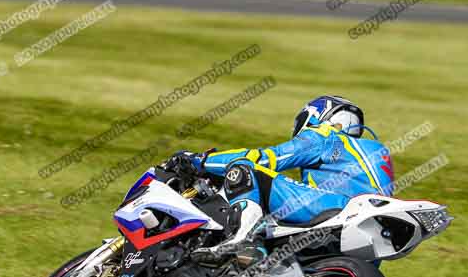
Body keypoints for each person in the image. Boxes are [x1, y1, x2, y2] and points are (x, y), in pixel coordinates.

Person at [168, 96, 394, 266]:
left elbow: (266, 159)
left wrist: (199, 160)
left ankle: (243, 239)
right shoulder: (374, 150)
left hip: (335, 211)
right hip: (368, 251)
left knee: (246, 169)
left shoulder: (327, 136)